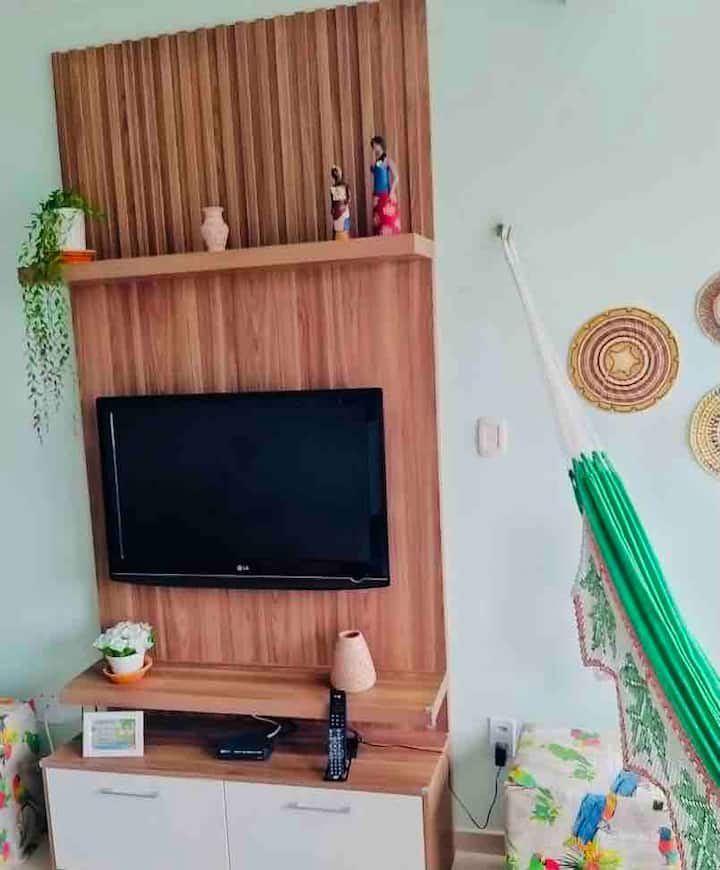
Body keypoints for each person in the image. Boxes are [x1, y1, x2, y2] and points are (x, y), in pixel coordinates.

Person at [370, 135, 401, 236]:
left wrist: (391, 191)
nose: (374, 147)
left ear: (380, 145)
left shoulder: (387, 160)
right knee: (378, 223)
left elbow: (396, 177)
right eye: (373, 146)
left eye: (375, 145)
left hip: (386, 194)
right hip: (377, 196)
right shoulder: (377, 161)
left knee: (387, 221)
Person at [329, 165, 352, 240]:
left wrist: (345, 203)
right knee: (337, 228)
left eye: (337, 172)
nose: (337, 174)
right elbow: (333, 200)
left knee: (344, 228)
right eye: (335, 172)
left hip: (343, 209)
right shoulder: (333, 188)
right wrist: (333, 208)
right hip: (337, 210)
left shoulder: (345, 185)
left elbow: (349, 197)